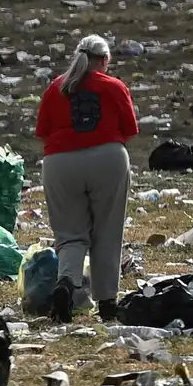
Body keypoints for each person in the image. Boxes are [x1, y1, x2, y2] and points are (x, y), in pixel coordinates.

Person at [34, 35, 139, 323]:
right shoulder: (114, 87)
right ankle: (107, 303)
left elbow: (43, 133)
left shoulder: (56, 88)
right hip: (108, 159)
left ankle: (67, 283)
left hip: (60, 163)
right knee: (107, 232)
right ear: (104, 60)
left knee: (70, 234)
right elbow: (129, 131)